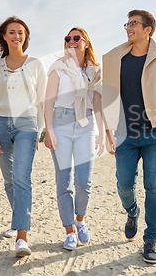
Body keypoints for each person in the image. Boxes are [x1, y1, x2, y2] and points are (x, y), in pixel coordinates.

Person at [102, 10, 156, 264]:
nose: (128, 27)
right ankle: (132, 212)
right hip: (125, 134)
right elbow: (108, 95)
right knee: (124, 185)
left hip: (154, 133)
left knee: (154, 186)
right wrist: (107, 131)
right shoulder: (117, 59)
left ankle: (150, 239)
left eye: (134, 23)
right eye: (127, 23)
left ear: (148, 29)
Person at [0, 17, 46, 257]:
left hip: (27, 124)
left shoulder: (36, 64)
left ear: (25, 37)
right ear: (4, 36)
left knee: (21, 177)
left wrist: (39, 130)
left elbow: (43, 100)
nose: (17, 36)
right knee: (9, 179)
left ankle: (21, 238)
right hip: (0, 124)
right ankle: (19, 219)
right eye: (12, 32)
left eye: (21, 33)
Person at [44, 27, 104, 251]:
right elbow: (48, 102)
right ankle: (69, 230)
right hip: (60, 122)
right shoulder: (57, 68)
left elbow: (97, 104)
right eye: (68, 38)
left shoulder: (95, 71)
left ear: (86, 42)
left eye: (76, 38)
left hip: (86, 124)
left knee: (84, 181)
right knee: (64, 181)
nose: (71, 41)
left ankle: (80, 220)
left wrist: (102, 133)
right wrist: (48, 129)